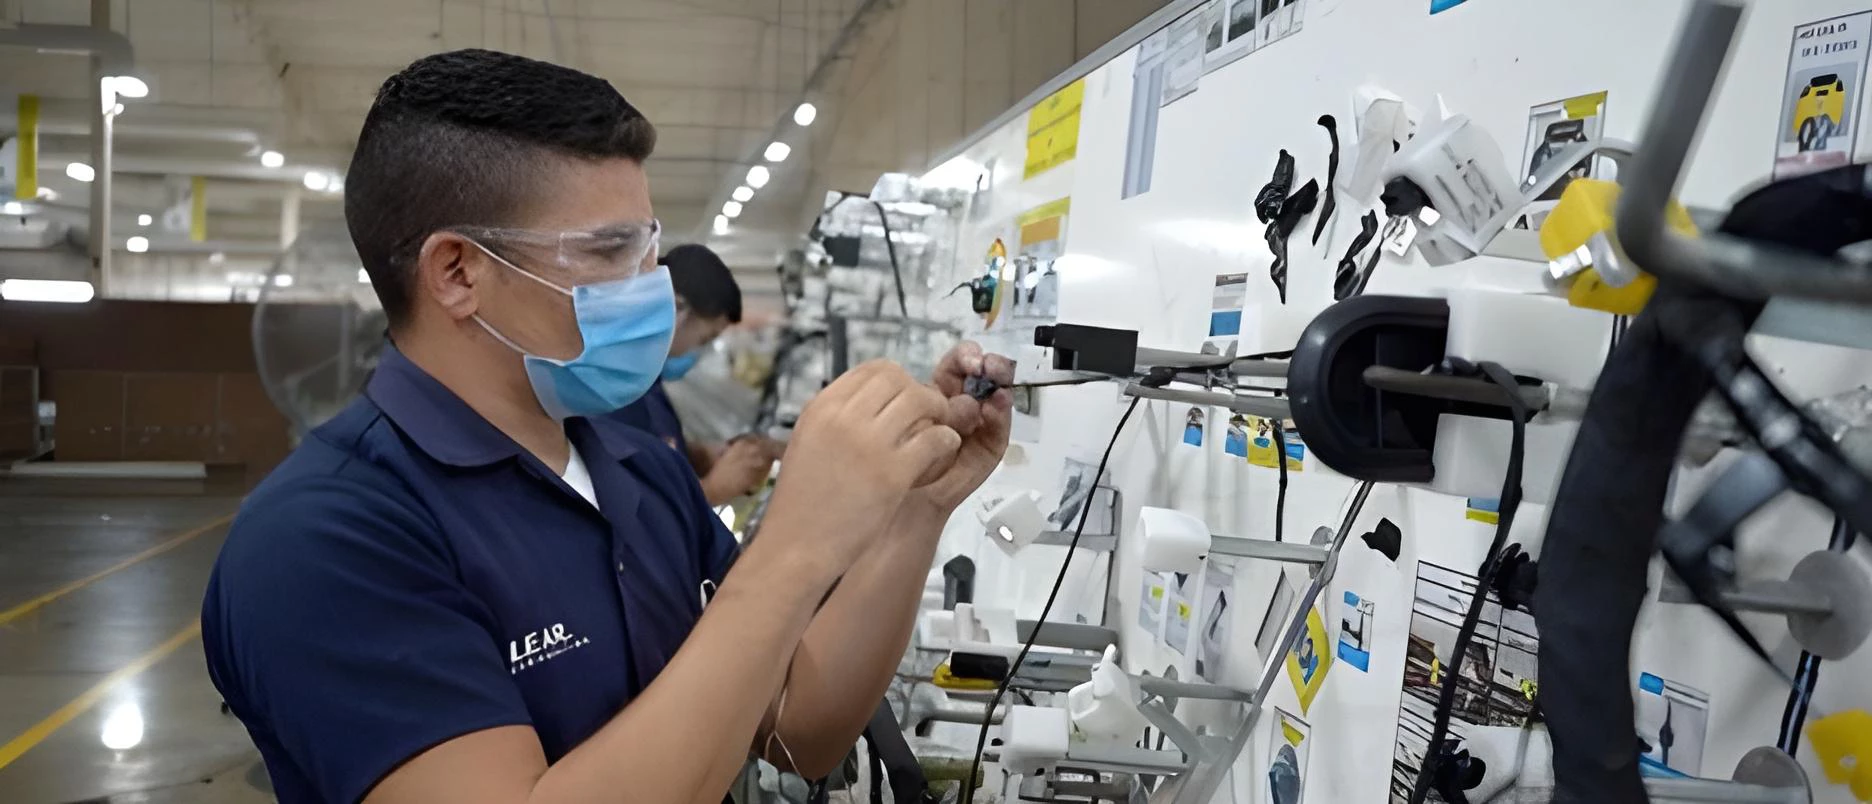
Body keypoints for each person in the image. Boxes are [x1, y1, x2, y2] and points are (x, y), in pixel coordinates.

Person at [200, 49, 1013, 804]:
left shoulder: (637, 470)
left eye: (648, 247)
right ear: (457, 273)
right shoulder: (323, 538)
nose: (652, 287)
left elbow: (800, 729)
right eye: (608, 251)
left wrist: (915, 509)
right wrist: (795, 550)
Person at [609, 242, 776, 505]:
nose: (702, 351)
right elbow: (635, 506)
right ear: (677, 310)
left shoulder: (648, 384)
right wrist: (714, 489)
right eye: (705, 338)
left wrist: (694, 455)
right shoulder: (614, 391)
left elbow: (652, 450)